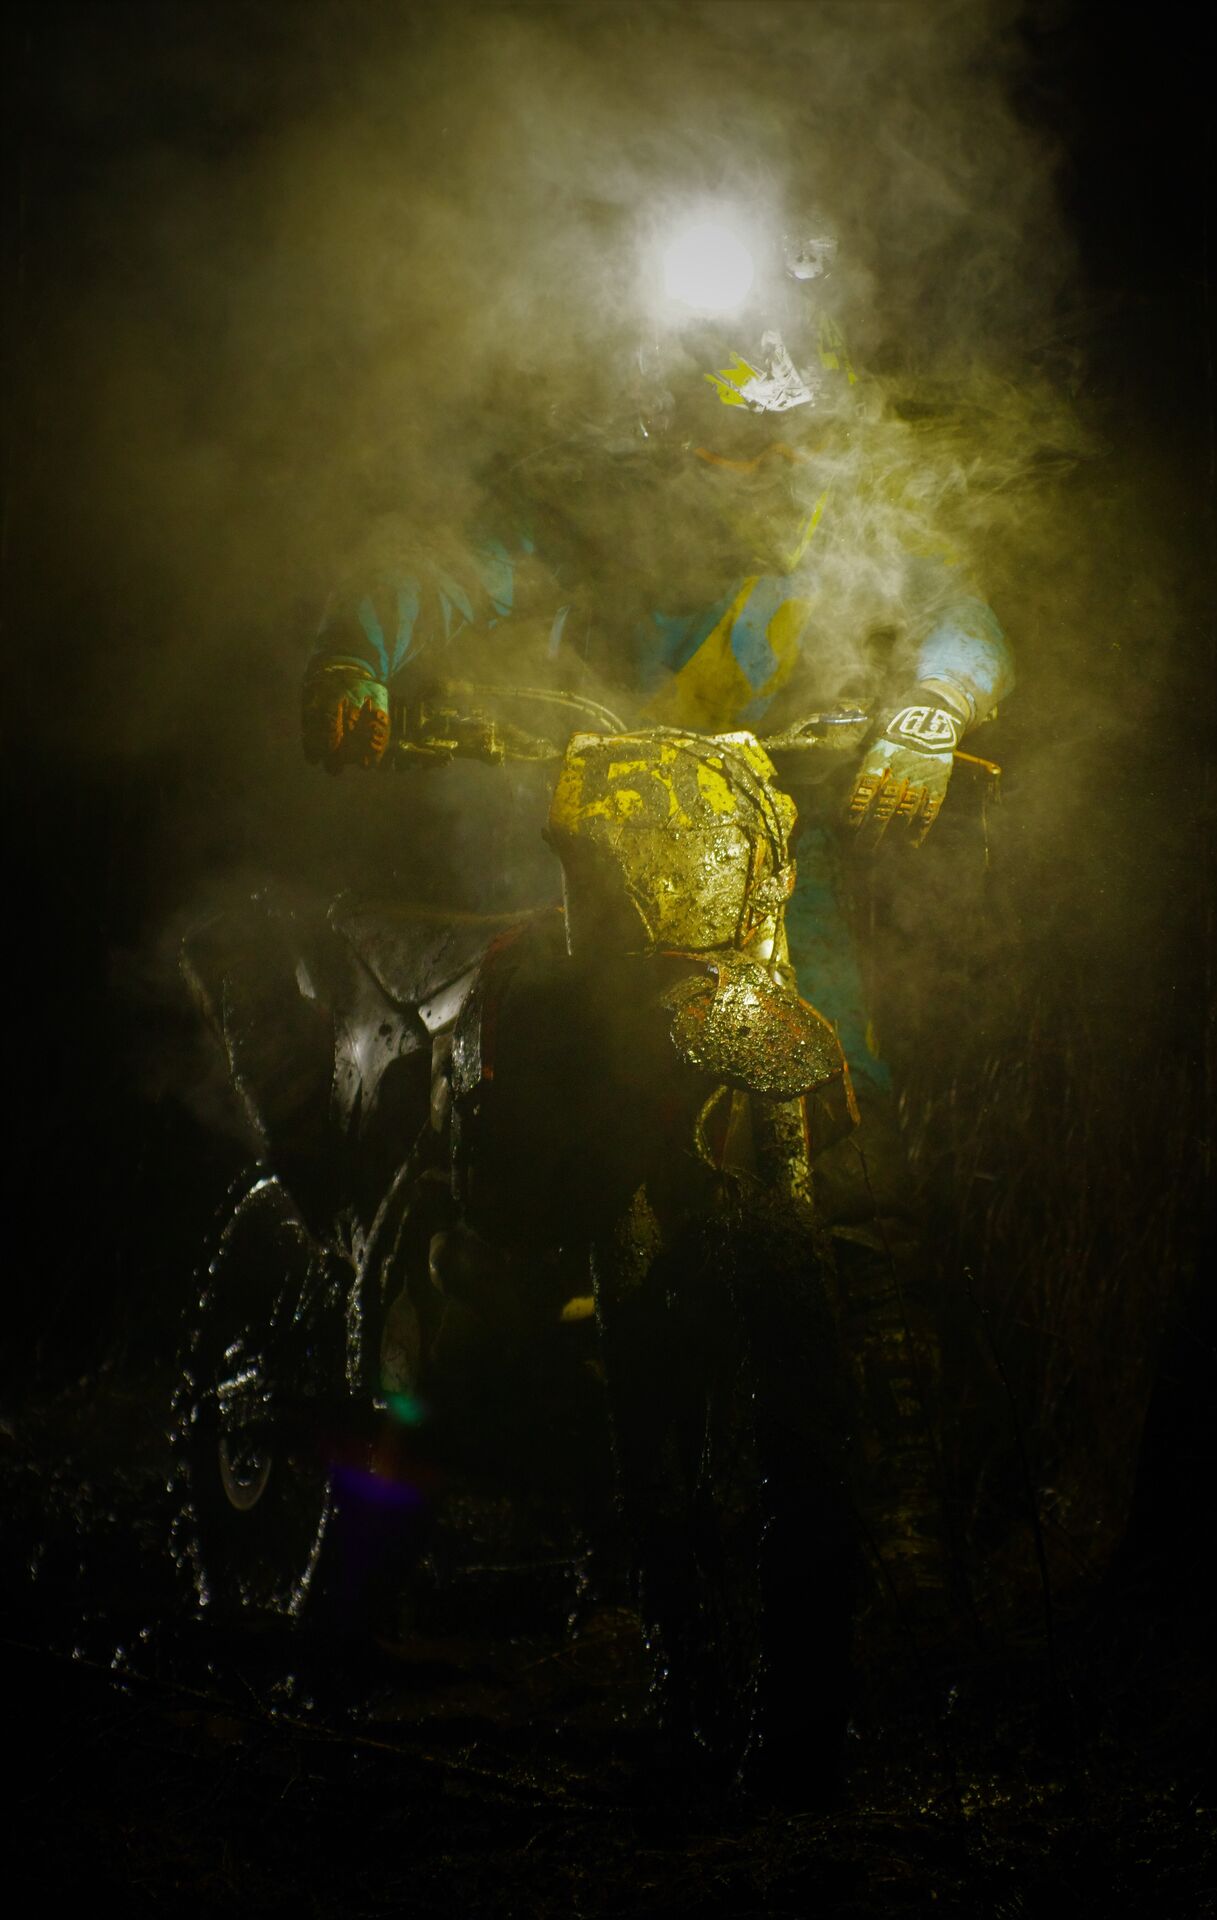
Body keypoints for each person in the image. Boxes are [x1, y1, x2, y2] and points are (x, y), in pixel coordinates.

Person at [300, 207, 1013, 1628]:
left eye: (776, 443)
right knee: (527, 1147)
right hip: (592, 860)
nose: (753, 470)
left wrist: (932, 709)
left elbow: (955, 610)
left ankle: (902, 1535)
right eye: (724, 442)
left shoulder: (838, 509)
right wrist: (353, 658)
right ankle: (431, 1481)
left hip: (772, 872)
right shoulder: (596, 510)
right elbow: (442, 567)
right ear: (666, 428)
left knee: (855, 1149)